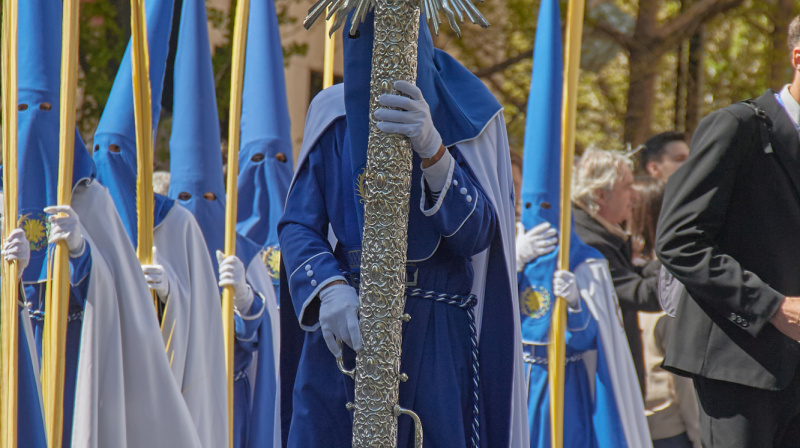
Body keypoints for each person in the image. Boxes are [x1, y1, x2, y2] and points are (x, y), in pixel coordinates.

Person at [278, 12, 527, 448]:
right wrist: (328, 288)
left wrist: (434, 151)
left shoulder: (468, 112)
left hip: (436, 331)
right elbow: (299, 222)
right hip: (346, 322)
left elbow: (478, 234)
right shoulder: (331, 111)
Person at [13, 1, 204, 445]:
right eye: (23, 108)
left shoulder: (91, 200)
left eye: (43, 107)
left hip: (79, 368)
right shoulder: (5, 198)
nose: (33, 122)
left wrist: (83, 256)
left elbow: (123, 308)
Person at [656, 15, 800, 448]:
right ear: (798, 57)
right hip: (740, 363)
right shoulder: (738, 126)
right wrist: (771, 305)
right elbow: (678, 239)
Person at [92, 0, 227, 445]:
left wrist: (171, 297)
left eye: (122, 154)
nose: (112, 166)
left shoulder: (178, 225)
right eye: (103, 152)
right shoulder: (86, 217)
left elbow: (203, 344)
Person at [166, 0, 280, 445]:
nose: (197, 210)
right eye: (186, 198)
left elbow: (254, 342)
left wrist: (247, 302)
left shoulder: (242, 252)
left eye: (209, 198)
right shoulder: (150, 246)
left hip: (225, 414)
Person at [573, 148, 662, 394]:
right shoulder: (588, 245)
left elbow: (635, 277)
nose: (635, 196)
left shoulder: (595, 232)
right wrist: (682, 255)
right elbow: (644, 295)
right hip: (601, 384)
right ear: (600, 194)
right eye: (627, 187)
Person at [629, 177, 701, 448]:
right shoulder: (667, 286)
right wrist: (698, 436)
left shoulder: (619, 277)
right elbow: (683, 377)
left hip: (637, 417)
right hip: (669, 426)